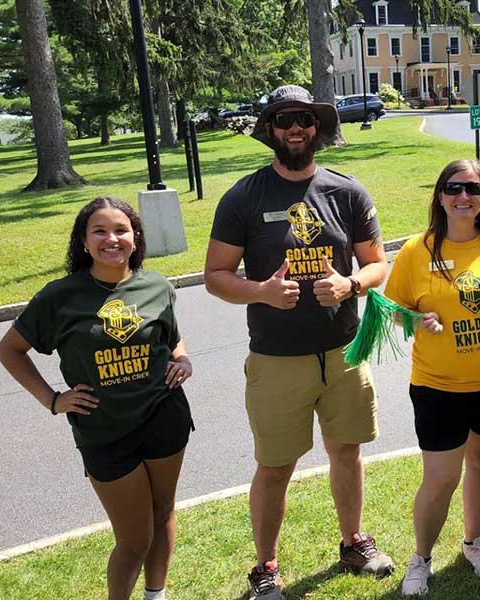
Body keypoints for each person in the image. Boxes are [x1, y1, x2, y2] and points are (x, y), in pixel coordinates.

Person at [203, 84, 393, 600]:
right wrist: (261, 292)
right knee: (275, 465)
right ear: (270, 128)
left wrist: (352, 283)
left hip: (344, 350)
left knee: (347, 450)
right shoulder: (244, 196)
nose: (296, 128)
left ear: (317, 127)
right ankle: (265, 567)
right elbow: (216, 276)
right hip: (276, 358)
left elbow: (376, 263)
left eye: (305, 120)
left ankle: (354, 541)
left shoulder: (346, 192)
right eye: (286, 119)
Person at [0, 197, 194, 600]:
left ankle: (156, 594)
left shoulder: (155, 285)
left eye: (121, 230)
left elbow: (171, 340)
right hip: (104, 431)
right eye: (99, 231)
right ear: (83, 241)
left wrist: (184, 360)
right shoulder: (60, 296)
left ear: (135, 237)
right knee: (134, 539)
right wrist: (52, 399)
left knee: (163, 512)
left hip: (164, 416)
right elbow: (9, 350)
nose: (112, 239)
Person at [385, 159, 480, 596]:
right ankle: (422, 558)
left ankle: (473, 542)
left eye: (472, 188)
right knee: (440, 478)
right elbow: (393, 311)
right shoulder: (418, 250)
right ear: (440, 196)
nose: (463, 197)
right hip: (439, 387)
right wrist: (416, 319)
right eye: (453, 188)